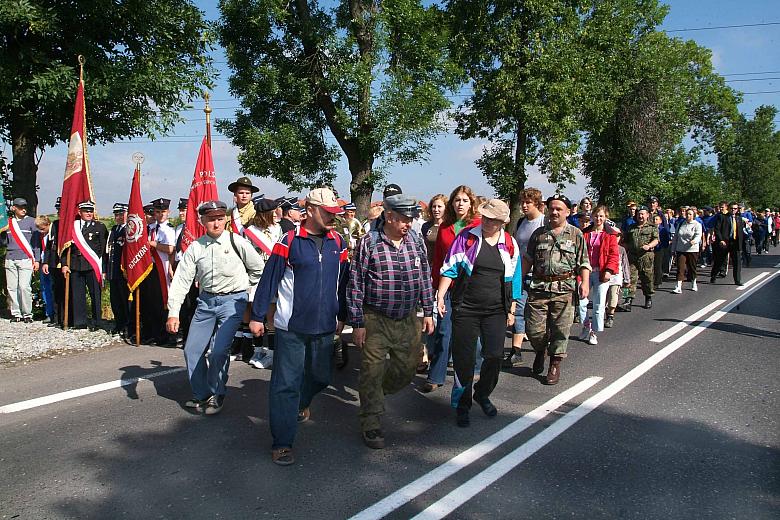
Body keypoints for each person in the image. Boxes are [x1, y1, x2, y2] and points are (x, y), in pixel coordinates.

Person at [249, 187, 348, 466]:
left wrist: (343, 314)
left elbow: (343, 282)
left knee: (321, 378)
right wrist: (257, 316)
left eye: (335, 213)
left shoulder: (337, 242)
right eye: (329, 212)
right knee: (285, 384)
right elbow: (269, 279)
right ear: (312, 210)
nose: (333, 217)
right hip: (290, 327)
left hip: (326, 326)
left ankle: (301, 403)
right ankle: (282, 442)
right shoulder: (289, 240)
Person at [347, 194, 435, 447]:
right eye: (404, 219)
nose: (408, 224)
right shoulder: (370, 243)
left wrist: (428, 311)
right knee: (371, 372)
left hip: (407, 319)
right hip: (375, 319)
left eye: (411, 219)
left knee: (406, 370)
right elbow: (356, 283)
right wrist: (358, 323)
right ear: (389, 216)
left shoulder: (416, 241)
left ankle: (374, 393)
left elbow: (424, 278)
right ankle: (371, 422)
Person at [166, 200, 263, 415]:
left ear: (226, 220)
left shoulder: (237, 242)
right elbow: (181, 280)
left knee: (219, 351)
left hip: (232, 302)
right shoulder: (196, 247)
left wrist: (245, 290)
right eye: (211, 220)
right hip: (206, 303)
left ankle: (216, 393)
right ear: (202, 221)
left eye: (220, 219)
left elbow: (258, 269)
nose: (216, 224)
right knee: (192, 350)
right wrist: (173, 313)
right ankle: (201, 394)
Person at [437, 199, 519, 426]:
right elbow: (450, 267)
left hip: (496, 310)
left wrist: (511, 308)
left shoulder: (509, 244)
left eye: (492, 220)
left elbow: (515, 278)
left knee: (494, 356)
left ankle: (482, 393)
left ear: (502, 222)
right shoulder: (467, 238)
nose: (486, 222)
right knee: (464, 359)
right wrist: (441, 295)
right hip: (466, 308)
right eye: (484, 217)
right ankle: (462, 404)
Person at [522, 195, 591, 385]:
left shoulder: (576, 234)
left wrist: (584, 282)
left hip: (565, 289)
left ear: (567, 212)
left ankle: (554, 363)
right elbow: (528, 259)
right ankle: (541, 349)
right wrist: (518, 280)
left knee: (561, 330)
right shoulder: (538, 234)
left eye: (559, 209)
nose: (554, 212)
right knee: (534, 330)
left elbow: (584, 261)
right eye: (552, 208)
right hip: (539, 288)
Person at [424, 185, 481, 393]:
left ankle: (476, 364)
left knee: (470, 331)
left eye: (465, 200)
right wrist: (435, 287)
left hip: (472, 287)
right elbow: (439, 259)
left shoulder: (478, 226)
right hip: (448, 286)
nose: (460, 204)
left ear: (471, 203)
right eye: (457, 200)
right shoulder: (445, 228)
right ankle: (436, 374)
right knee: (444, 330)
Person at [504, 187, 545, 368]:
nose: (524, 206)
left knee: (537, 316)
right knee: (517, 311)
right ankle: (516, 351)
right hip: (520, 273)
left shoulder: (543, 223)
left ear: (537, 204)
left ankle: (542, 350)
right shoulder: (521, 222)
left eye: (528, 202)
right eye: (523, 202)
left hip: (538, 276)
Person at [242, 197, 283, 369]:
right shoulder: (250, 231)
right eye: (272, 212)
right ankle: (258, 349)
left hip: (272, 275)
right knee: (255, 314)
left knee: (271, 315)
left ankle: (272, 353)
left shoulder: (277, 228)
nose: (276, 214)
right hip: (255, 277)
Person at [61, 200, 108, 329]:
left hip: (92, 265)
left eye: (91, 211)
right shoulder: (72, 227)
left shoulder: (100, 227)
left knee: (95, 294)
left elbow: (104, 250)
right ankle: (80, 322)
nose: (89, 213)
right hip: (75, 264)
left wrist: (103, 269)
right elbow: (65, 248)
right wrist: (64, 264)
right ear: (79, 212)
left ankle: (97, 321)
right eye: (86, 211)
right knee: (77, 294)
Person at [577, 206, 619, 345]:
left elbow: (614, 255)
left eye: (601, 216)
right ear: (592, 217)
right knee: (582, 302)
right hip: (586, 272)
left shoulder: (610, 235)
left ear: (605, 217)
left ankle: (594, 332)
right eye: (596, 216)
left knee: (598, 304)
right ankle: (586, 326)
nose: (598, 219)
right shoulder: (585, 233)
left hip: (601, 273)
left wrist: (609, 270)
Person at [418, 194, 447, 373]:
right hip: (428, 271)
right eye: (434, 206)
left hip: (445, 273)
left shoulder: (449, 226)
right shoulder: (426, 226)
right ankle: (427, 355)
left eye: (440, 206)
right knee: (429, 314)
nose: (436, 209)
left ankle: (442, 354)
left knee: (440, 316)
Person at [1, 197, 40, 323]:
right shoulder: (8, 223)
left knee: (24, 287)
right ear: (14, 208)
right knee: (12, 287)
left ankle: (27, 313)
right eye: (20, 207)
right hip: (11, 258)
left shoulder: (32, 222)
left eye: (24, 207)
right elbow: (4, 242)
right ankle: (15, 313)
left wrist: (37, 259)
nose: (23, 209)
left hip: (25, 258)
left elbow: (36, 243)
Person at [625, 206, 659, 310]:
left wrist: (649, 246)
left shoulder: (652, 227)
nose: (640, 216)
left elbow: (656, 240)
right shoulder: (631, 227)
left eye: (643, 214)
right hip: (632, 256)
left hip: (646, 256)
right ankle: (627, 300)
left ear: (647, 215)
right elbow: (626, 241)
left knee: (647, 278)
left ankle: (648, 297)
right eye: (639, 214)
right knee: (628, 279)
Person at [105, 203, 130, 335]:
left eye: (122, 214)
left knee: (125, 299)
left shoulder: (129, 230)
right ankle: (119, 323)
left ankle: (127, 324)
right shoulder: (114, 230)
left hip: (124, 272)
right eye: (117, 214)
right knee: (115, 300)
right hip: (113, 270)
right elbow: (108, 251)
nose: (119, 217)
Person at [712, 202, 744, 286]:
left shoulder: (739, 218)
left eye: (735, 209)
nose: (733, 210)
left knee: (737, 262)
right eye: (732, 208)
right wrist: (721, 240)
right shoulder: (723, 217)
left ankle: (737, 280)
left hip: (735, 243)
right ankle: (713, 275)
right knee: (720, 260)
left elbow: (740, 232)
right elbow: (717, 229)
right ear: (728, 208)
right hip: (725, 242)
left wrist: (741, 244)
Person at [671, 208, 702, 293]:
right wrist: (673, 249)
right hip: (681, 249)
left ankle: (694, 282)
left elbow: (698, 235)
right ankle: (678, 286)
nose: (688, 216)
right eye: (687, 214)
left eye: (690, 214)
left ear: (693, 216)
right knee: (680, 267)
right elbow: (676, 237)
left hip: (692, 249)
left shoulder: (697, 224)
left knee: (692, 267)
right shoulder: (681, 224)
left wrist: (694, 241)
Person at [34, 215, 55, 323]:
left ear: (48, 224)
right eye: (39, 229)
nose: (41, 231)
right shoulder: (40, 235)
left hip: (53, 264)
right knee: (45, 288)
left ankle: (56, 313)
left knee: (53, 288)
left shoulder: (54, 232)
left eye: (43, 229)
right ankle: (48, 313)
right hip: (43, 263)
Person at [652, 213, 670, 289]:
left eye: (657, 219)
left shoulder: (663, 229)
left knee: (658, 265)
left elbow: (666, 240)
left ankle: (657, 281)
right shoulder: (651, 229)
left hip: (660, 249)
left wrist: (662, 246)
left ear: (660, 221)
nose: (655, 221)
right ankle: (652, 280)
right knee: (652, 266)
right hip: (652, 249)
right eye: (654, 219)